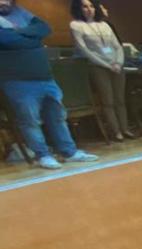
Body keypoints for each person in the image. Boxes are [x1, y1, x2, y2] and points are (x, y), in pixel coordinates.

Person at [0, 0, 99, 170]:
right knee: (29, 120)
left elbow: (44, 28)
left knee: (57, 116)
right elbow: (7, 39)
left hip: (45, 77)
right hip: (17, 81)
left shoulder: (21, 12)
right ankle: (43, 155)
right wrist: (33, 38)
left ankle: (69, 152)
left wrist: (19, 33)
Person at [68, 0, 131, 143]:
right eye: (85, 6)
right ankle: (116, 132)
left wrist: (118, 62)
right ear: (78, 9)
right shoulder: (76, 26)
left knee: (120, 100)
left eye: (91, 6)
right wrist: (107, 65)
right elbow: (84, 50)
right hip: (97, 66)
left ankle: (125, 129)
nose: (89, 9)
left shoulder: (105, 25)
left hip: (116, 65)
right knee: (108, 101)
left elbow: (117, 46)